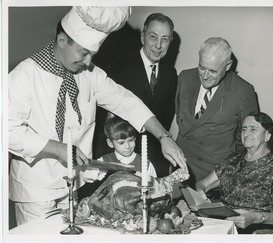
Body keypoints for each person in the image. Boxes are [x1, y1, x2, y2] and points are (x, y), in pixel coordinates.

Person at [8, 6, 187, 226]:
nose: (87, 62)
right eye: (84, 53)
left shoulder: (89, 74)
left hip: (73, 186)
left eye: (91, 55)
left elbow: (126, 102)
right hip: (35, 191)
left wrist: (164, 137)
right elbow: (7, 131)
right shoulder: (24, 75)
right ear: (62, 41)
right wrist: (56, 148)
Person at [93, 13, 177, 177]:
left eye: (165, 39)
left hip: (153, 155)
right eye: (153, 37)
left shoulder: (171, 73)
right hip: (119, 153)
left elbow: (165, 118)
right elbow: (105, 120)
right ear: (142, 37)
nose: (158, 45)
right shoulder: (117, 64)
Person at [175, 37, 259, 186]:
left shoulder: (243, 91)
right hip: (179, 168)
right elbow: (180, 118)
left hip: (213, 177)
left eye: (213, 71)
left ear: (228, 66)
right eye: (202, 67)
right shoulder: (184, 77)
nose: (205, 76)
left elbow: (247, 141)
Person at [196, 112, 273, 234]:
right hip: (223, 225)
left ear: (267, 136)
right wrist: (199, 193)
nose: (246, 134)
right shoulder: (233, 160)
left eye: (253, 129)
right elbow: (203, 184)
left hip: (257, 231)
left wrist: (256, 218)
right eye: (244, 129)